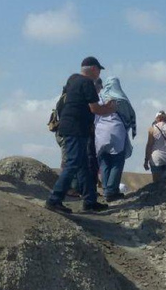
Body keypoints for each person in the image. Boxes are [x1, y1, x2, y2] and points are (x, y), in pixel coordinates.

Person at [46, 57, 117, 214]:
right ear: (92, 68)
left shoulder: (73, 79)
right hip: (75, 129)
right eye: (98, 70)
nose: (99, 74)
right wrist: (110, 109)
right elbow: (95, 109)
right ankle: (54, 199)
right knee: (73, 163)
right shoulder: (87, 83)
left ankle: (90, 201)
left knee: (83, 166)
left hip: (72, 127)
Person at [95, 76, 136, 202]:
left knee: (104, 162)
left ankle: (106, 188)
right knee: (117, 161)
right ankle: (112, 191)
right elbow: (130, 116)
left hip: (100, 132)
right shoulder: (121, 99)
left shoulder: (99, 97)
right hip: (117, 131)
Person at [143, 111, 166, 182]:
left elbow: (149, 145)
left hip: (156, 158)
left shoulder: (152, 129)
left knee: (156, 183)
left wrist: (146, 160)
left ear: (157, 118)